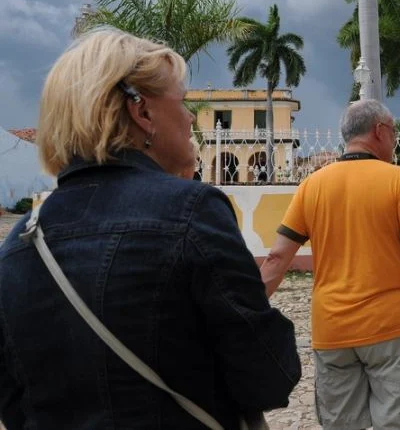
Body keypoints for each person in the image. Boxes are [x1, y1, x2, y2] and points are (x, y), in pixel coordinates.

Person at [0, 28, 300, 429]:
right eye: (181, 102)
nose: (191, 117)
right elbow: (269, 376)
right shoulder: (192, 212)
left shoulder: (20, 243)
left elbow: (15, 403)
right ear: (141, 112)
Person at [259, 99, 400, 429]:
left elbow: (277, 259)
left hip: (332, 329)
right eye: (392, 133)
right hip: (392, 329)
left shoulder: (311, 186)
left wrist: (245, 311)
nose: (394, 141)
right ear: (379, 131)